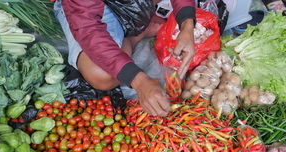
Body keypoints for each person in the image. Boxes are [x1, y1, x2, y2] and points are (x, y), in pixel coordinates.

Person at [54, 0, 197, 116]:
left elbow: (186, 19)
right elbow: (89, 29)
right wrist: (138, 81)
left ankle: (139, 23)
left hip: (134, 5)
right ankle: (134, 37)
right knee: (102, 75)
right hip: (94, 12)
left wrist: (187, 26)